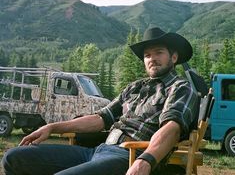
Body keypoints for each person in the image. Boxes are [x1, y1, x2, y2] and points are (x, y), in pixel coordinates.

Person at [2, 27, 198, 175]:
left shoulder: (180, 87)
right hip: (99, 149)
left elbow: (171, 128)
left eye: (158, 53)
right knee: (13, 158)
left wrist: (146, 160)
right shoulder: (134, 87)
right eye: (147, 55)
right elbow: (101, 118)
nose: (152, 59)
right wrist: (52, 127)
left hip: (129, 155)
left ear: (173, 57)